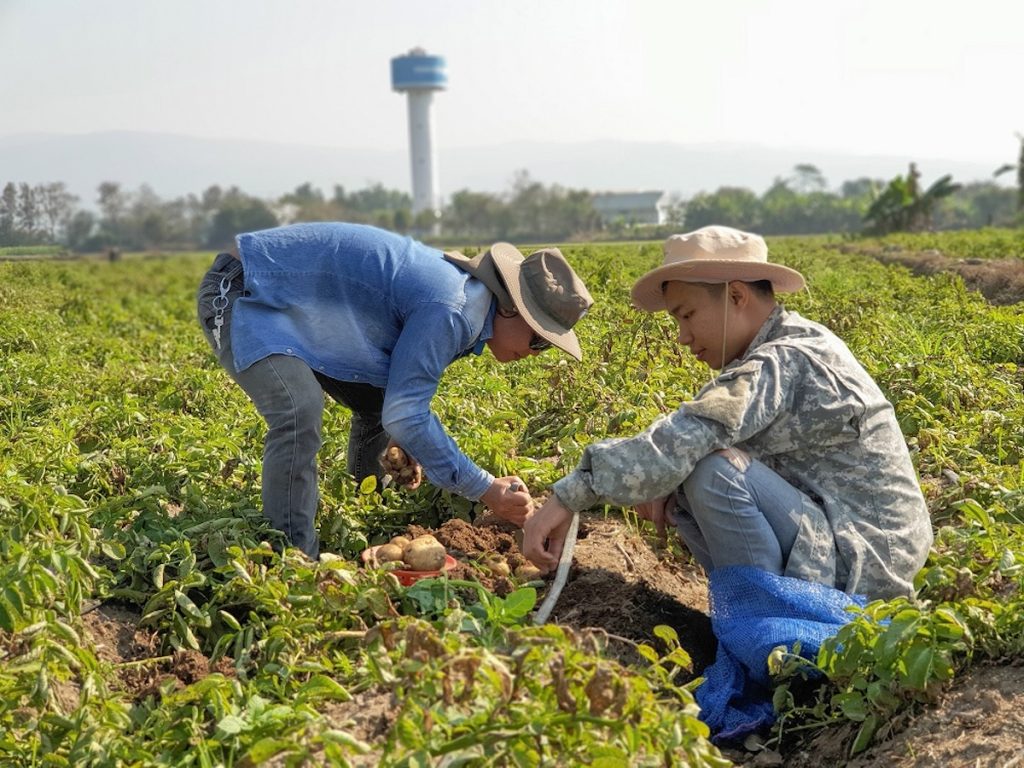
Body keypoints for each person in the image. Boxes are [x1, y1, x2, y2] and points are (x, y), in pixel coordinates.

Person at [523, 225, 932, 601]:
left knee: (712, 471)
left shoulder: (783, 359)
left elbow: (693, 431)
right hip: (853, 545)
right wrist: (666, 481)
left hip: (866, 567)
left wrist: (571, 495)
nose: (683, 336)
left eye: (687, 315)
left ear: (737, 296)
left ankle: (771, 634)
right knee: (691, 472)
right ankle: (756, 620)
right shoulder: (790, 342)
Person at [197, 222, 593, 559]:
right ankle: (293, 556)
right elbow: (407, 412)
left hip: (296, 305)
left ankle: (365, 501)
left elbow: (398, 402)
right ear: (510, 308)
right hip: (245, 287)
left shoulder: (467, 304)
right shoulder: (454, 309)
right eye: (539, 339)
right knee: (298, 410)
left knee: (376, 400)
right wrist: (485, 488)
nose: (534, 352)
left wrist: (413, 445)